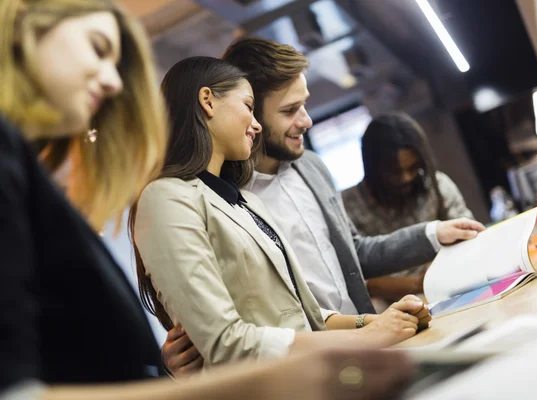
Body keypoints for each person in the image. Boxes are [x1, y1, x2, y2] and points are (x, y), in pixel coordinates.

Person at [0, 1, 417, 399]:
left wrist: (374, 322)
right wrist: (351, 346)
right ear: (207, 102)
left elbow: (305, 314)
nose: (112, 81)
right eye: (98, 47)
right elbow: (224, 341)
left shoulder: (244, 201)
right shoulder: (164, 198)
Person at [161, 37, 485, 375]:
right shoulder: (221, 200)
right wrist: (181, 360)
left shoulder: (311, 167)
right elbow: (224, 327)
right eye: (289, 110)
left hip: (366, 341)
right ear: (248, 108)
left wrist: (433, 234)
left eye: (304, 105)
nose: (306, 121)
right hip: (301, 371)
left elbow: (354, 252)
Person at [342, 112, 474, 306]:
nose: (405, 178)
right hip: (389, 307)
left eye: (413, 168)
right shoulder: (347, 206)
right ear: (374, 168)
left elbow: (470, 238)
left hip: (450, 289)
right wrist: (417, 284)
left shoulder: (437, 186)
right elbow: (353, 279)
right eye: (394, 172)